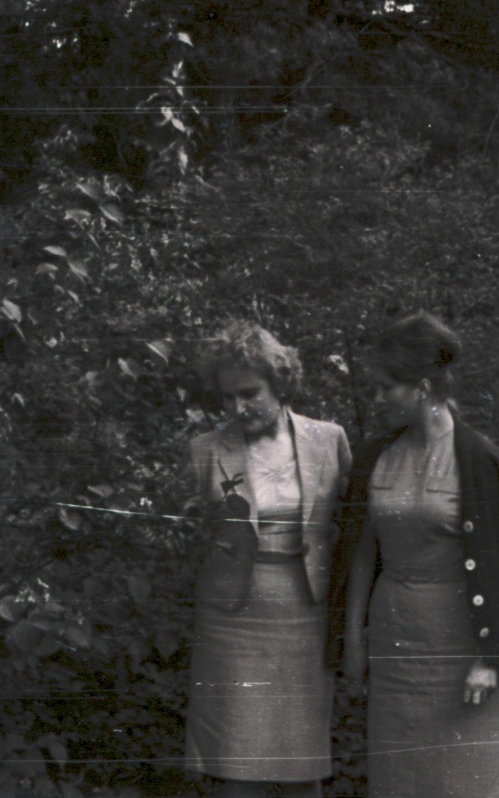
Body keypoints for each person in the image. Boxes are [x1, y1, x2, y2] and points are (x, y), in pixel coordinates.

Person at [331, 312, 499, 798]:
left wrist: (491, 660)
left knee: (470, 780)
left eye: (388, 387)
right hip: (395, 649)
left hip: (462, 651)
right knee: (400, 779)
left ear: (425, 387)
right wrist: (351, 637)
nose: (377, 399)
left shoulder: (479, 460)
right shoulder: (376, 457)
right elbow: (361, 555)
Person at [183, 321, 353, 797]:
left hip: (305, 615)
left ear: (279, 382)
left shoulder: (329, 440)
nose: (237, 408)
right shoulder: (205, 450)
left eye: (249, 393)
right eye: (226, 397)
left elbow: (351, 531)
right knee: (236, 764)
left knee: (303, 764)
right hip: (231, 622)